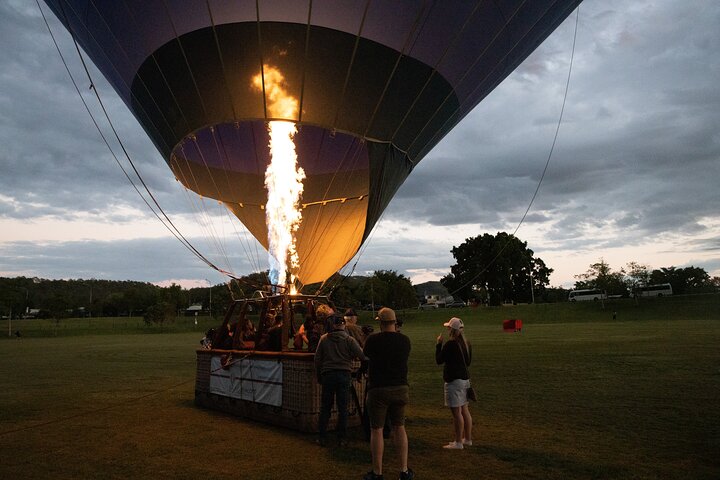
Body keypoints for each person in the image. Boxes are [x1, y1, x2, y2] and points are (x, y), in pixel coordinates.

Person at [362, 307, 414, 480]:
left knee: (376, 430)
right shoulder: (405, 341)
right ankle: (404, 470)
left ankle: (378, 472)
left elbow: (365, 355)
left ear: (381, 322)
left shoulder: (372, 340)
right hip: (400, 388)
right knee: (400, 428)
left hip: (379, 389)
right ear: (394, 322)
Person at [314, 314, 366, 447]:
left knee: (325, 406)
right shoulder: (349, 340)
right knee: (343, 408)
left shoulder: (324, 339)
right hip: (344, 375)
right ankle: (342, 437)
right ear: (343, 325)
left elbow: (317, 359)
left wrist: (319, 375)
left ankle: (321, 436)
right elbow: (362, 356)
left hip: (328, 375)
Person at [435, 317, 473, 450]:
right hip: (464, 380)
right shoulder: (466, 343)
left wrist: (439, 344)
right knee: (465, 410)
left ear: (452, 329)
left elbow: (439, 360)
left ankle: (458, 442)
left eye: (449, 327)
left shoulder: (451, 344)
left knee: (457, 413)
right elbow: (468, 362)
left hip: (454, 381)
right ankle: (467, 438)